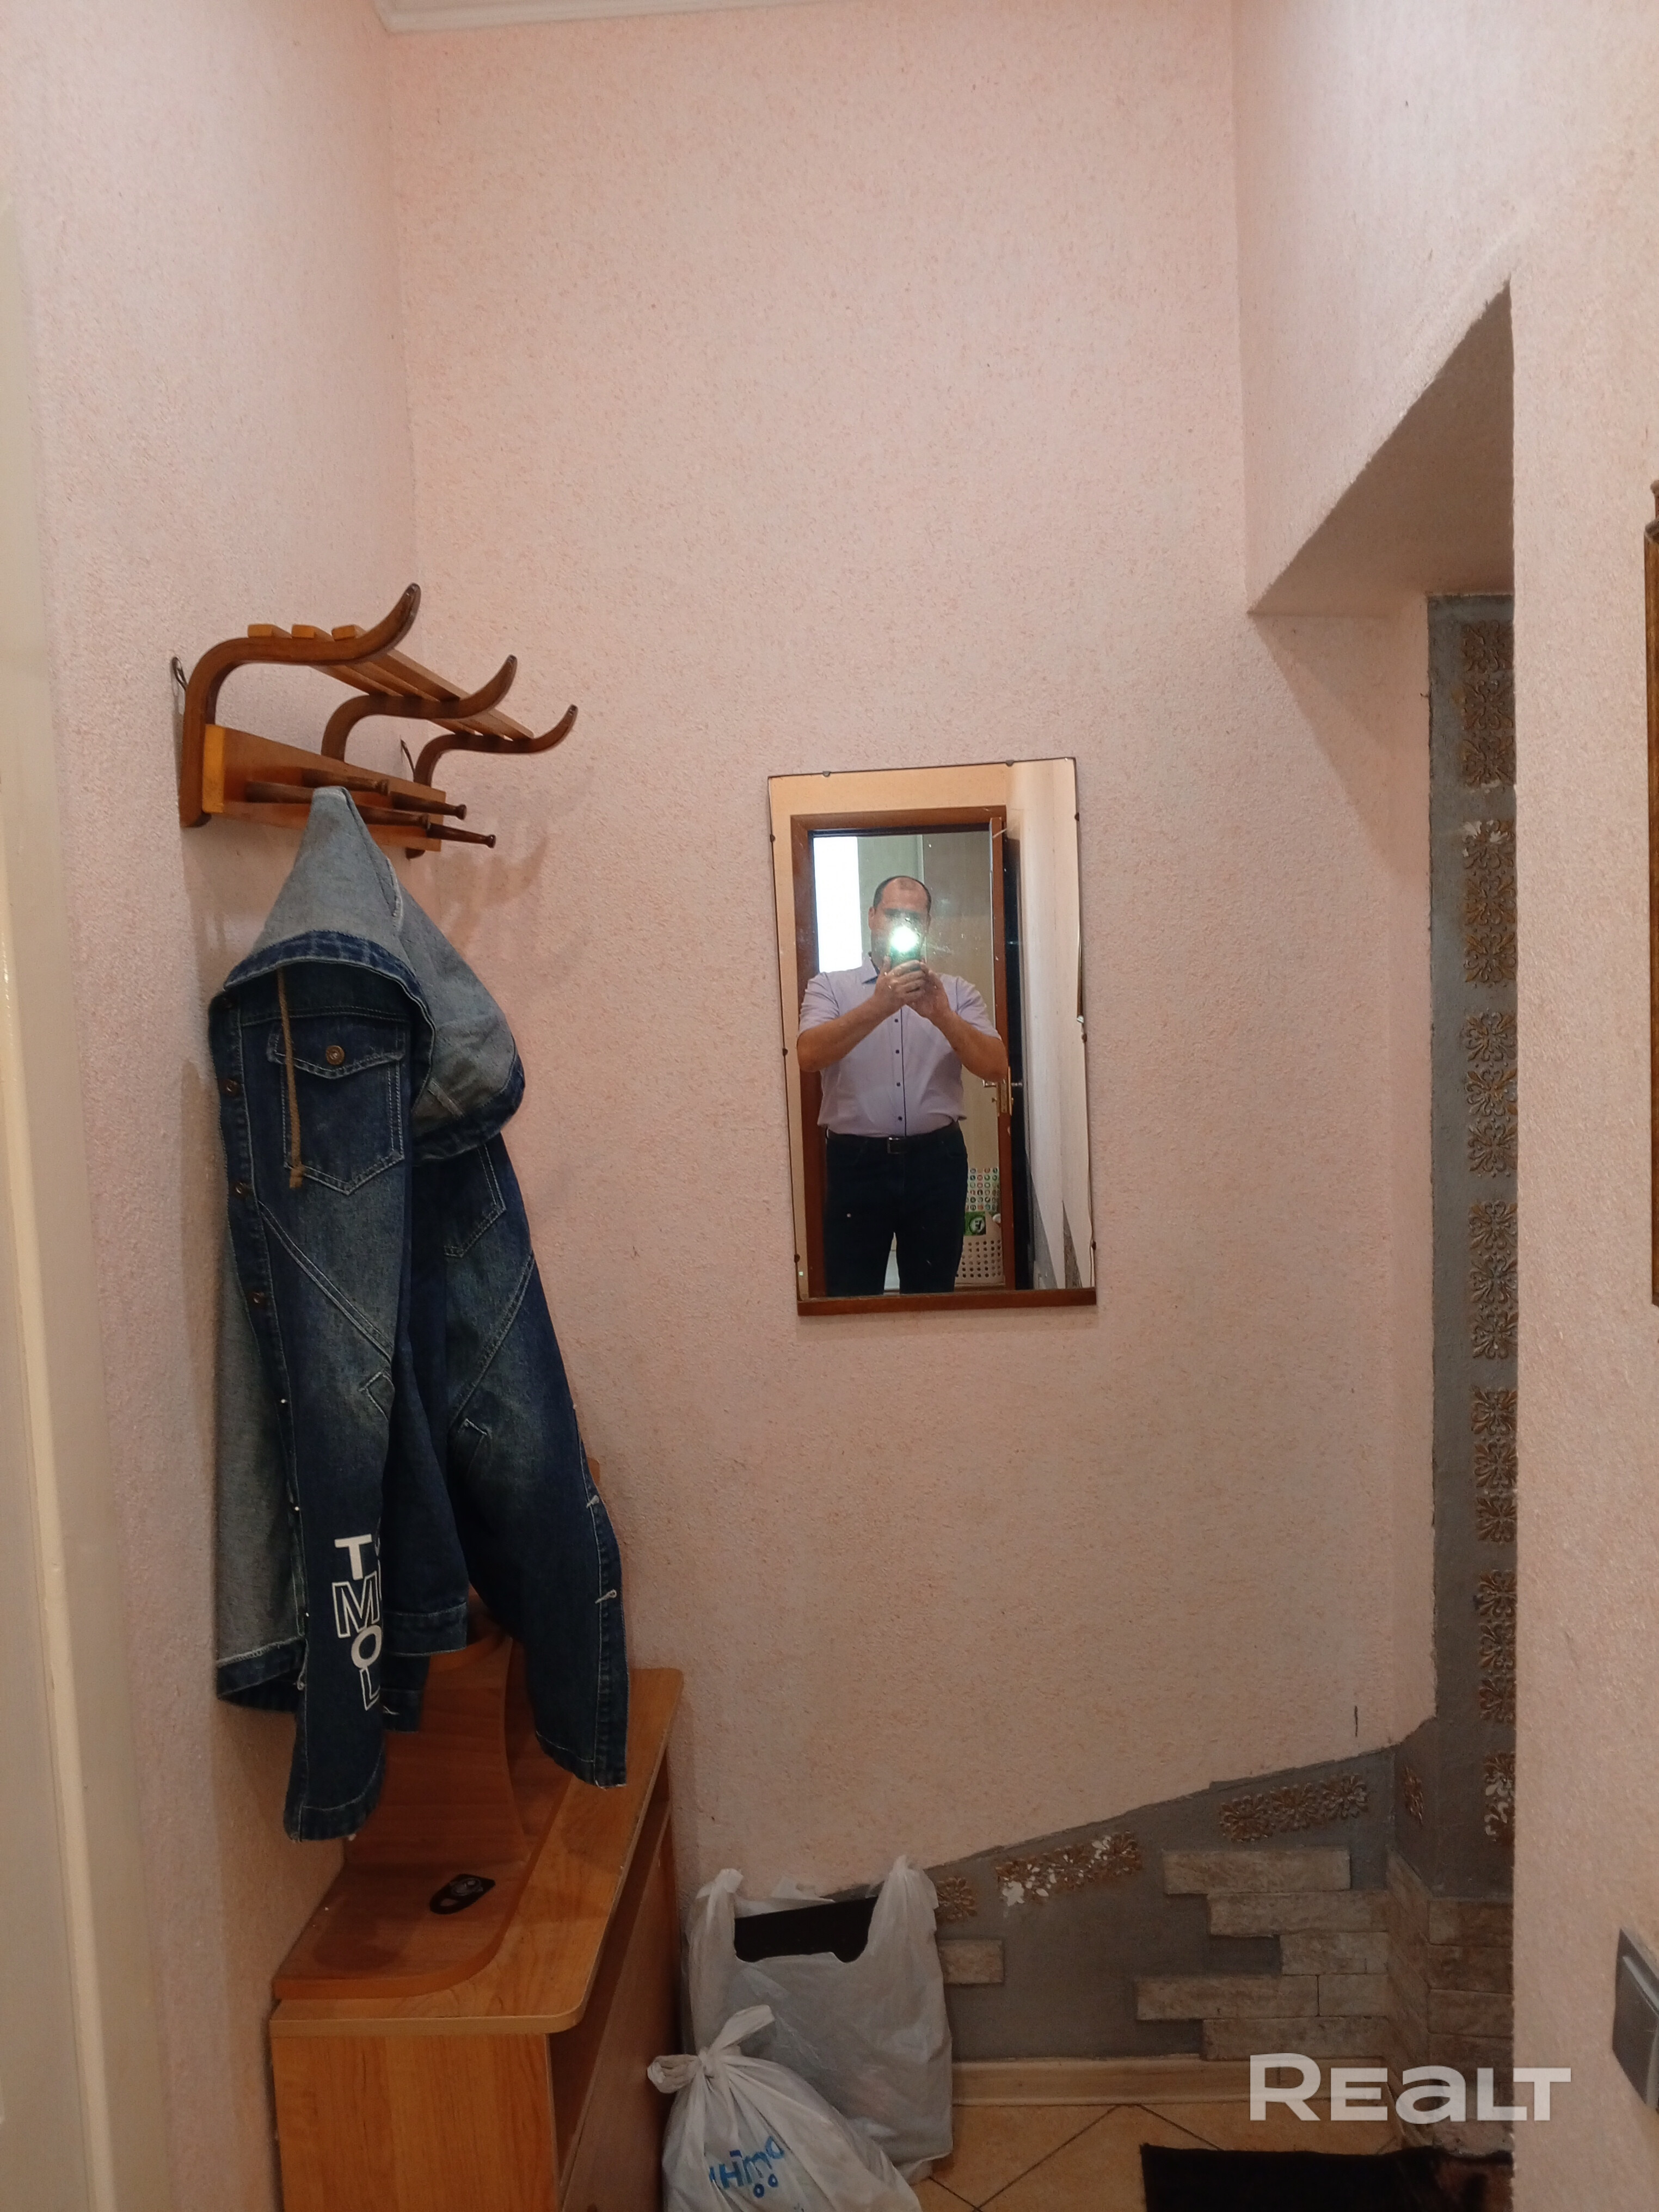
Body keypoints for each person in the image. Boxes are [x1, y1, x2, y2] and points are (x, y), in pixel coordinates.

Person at [797, 874, 1009, 1296]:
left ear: (927, 925)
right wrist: (880, 1006)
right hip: (855, 1164)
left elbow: (995, 1067)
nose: (901, 925)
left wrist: (942, 1016)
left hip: (937, 1163)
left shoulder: (956, 993)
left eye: (912, 918)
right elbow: (809, 1056)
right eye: (892, 914)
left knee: (933, 1295)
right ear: (872, 917)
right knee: (852, 1296)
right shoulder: (829, 987)